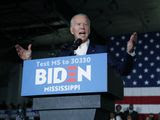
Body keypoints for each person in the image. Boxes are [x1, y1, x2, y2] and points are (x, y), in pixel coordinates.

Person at [15, 13, 137, 76]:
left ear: (89, 30)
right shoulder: (63, 53)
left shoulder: (101, 50)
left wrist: (129, 52)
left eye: (85, 24)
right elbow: (42, 75)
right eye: (78, 24)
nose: (82, 27)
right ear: (72, 30)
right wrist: (28, 62)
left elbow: (122, 71)